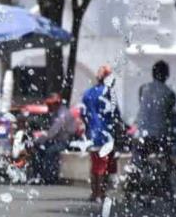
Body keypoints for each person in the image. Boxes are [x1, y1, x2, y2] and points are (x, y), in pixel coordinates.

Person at [134, 60, 176, 198]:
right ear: (166, 75)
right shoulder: (169, 93)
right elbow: (169, 114)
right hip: (159, 136)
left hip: (141, 134)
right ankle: (166, 186)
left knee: (140, 161)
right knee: (166, 159)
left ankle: (136, 182)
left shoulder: (143, 88)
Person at [81, 65, 121, 202]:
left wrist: (89, 128)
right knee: (104, 165)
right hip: (106, 134)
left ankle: (94, 193)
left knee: (95, 164)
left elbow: (83, 114)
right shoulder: (110, 94)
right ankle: (101, 193)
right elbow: (116, 115)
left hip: (92, 134)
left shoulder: (88, 94)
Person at [31, 93, 78, 184]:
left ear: (56, 104)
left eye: (50, 104)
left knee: (50, 151)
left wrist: (39, 140)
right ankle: (38, 174)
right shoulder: (55, 113)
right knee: (38, 150)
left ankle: (49, 177)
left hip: (65, 141)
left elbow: (52, 132)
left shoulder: (62, 114)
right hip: (56, 140)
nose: (49, 106)